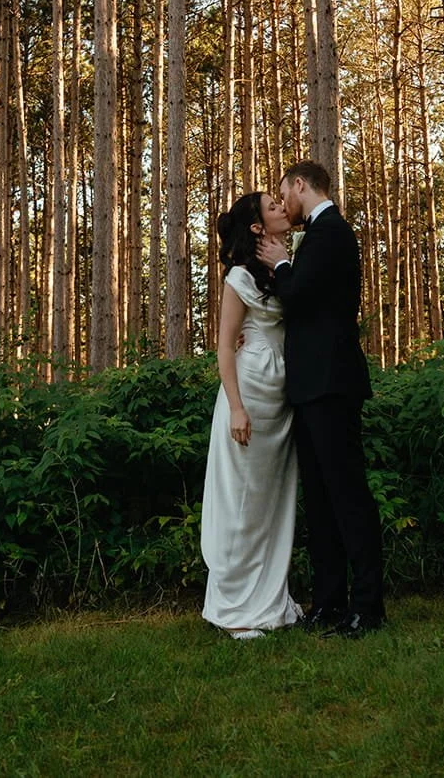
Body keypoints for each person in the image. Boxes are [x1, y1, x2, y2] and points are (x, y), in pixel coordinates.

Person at [257, 160, 385, 638]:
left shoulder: (331, 232)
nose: (283, 203)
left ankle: (367, 606)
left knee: (347, 496)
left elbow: (299, 294)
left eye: (283, 193)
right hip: (312, 386)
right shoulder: (318, 235)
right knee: (320, 499)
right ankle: (329, 602)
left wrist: (280, 263)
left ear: (300, 185)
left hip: (332, 384)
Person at [200, 192, 303, 639]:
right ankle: (234, 609)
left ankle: (269, 600)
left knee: (270, 502)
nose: (282, 207)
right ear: (257, 227)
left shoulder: (282, 267)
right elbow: (225, 347)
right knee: (242, 499)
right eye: (273, 206)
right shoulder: (239, 277)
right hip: (250, 390)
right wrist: (237, 408)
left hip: (280, 393)